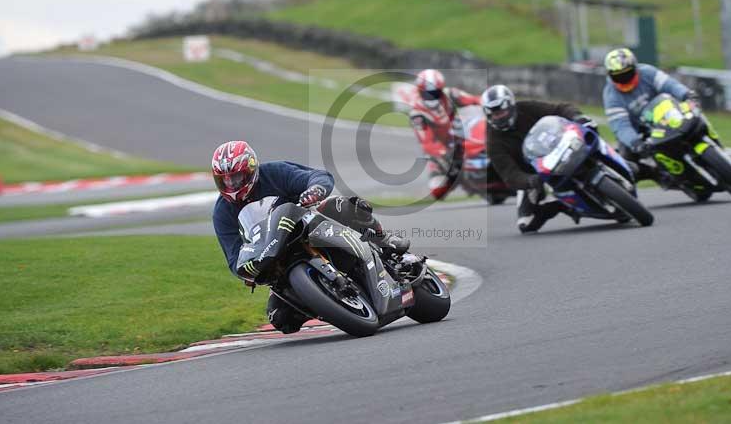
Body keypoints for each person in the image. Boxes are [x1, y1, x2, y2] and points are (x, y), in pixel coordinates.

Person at [211, 140, 409, 334]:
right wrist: (249, 271)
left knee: (337, 205)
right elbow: (233, 257)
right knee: (280, 319)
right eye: (224, 180)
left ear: (251, 170)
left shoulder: (274, 172)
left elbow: (318, 177)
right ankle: (326, 303)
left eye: (236, 177)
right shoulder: (222, 213)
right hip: (274, 255)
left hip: (306, 226)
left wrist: (314, 191)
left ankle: (384, 238)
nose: (231, 184)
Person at [481, 85, 595, 233]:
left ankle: (620, 162)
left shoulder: (527, 108)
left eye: (501, 111)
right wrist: (530, 180)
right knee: (525, 225)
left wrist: (576, 117)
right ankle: (560, 205)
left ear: (511, 106)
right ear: (488, 116)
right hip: (536, 173)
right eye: (494, 114)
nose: (499, 117)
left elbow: (559, 109)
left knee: (589, 130)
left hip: (560, 150)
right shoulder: (493, 142)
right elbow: (509, 174)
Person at [602, 47, 700, 181]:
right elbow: (620, 125)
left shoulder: (647, 72)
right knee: (626, 166)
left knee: (694, 116)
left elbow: (670, 85)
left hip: (667, 114)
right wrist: (634, 142)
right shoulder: (611, 95)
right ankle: (656, 174)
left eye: (627, 73)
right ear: (610, 75)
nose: (624, 79)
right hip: (640, 132)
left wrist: (687, 95)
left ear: (635, 67)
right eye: (618, 76)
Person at [409, 69, 482, 199]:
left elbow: (474, 99)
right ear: (420, 92)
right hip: (439, 153)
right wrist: (443, 153)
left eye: (435, 92)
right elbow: (426, 142)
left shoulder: (451, 94)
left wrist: (484, 104)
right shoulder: (417, 114)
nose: (431, 96)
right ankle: (455, 177)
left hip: (460, 136)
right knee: (437, 191)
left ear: (441, 89)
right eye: (427, 93)